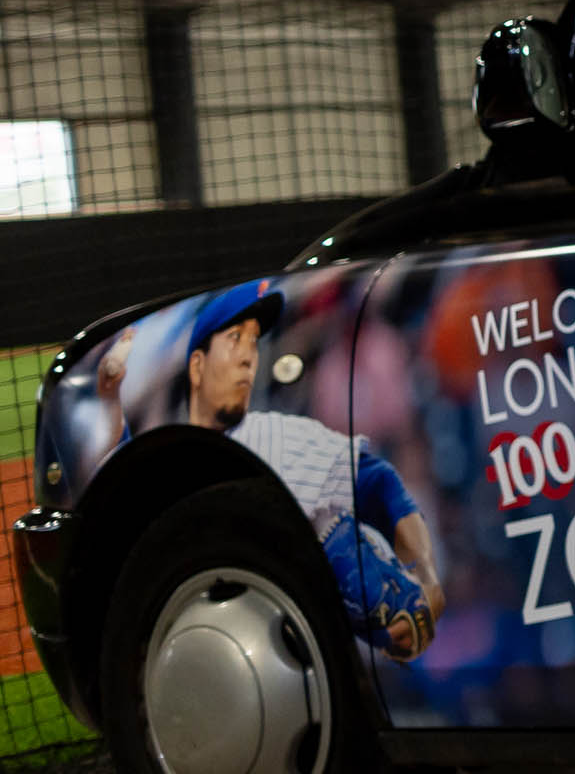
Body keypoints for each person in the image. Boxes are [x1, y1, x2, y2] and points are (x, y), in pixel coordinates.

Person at [181, 281, 446, 661]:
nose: (247, 357)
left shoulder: (279, 435)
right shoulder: (171, 466)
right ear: (197, 365)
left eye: (253, 343)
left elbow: (380, 480)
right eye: (235, 338)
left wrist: (426, 571)